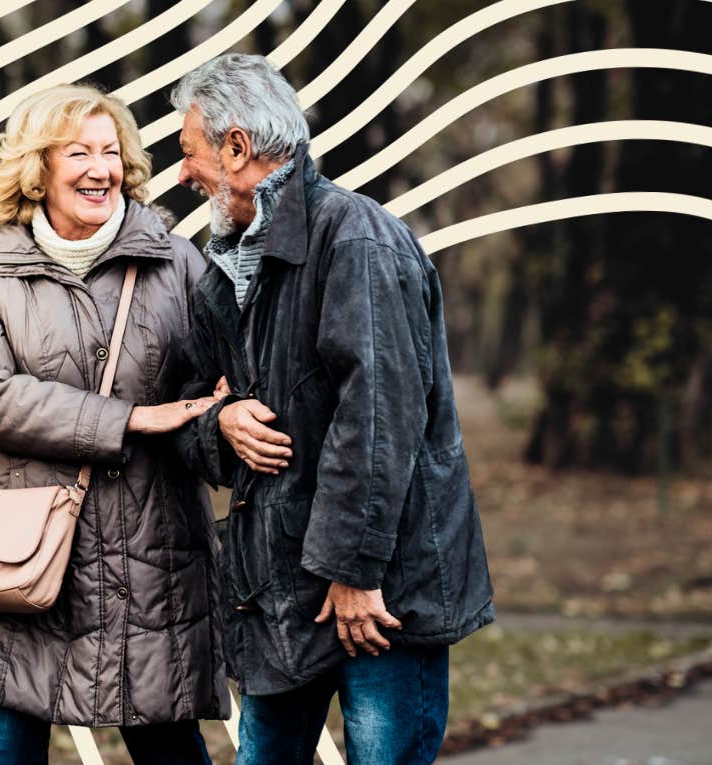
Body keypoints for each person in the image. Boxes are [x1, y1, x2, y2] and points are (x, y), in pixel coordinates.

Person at [170, 54, 495, 765]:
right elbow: (187, 407)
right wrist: (217, 424)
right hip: (279, 593)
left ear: (236, 148)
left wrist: (354, 570)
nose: (184, 173)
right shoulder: (220, 271)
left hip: (380, 595)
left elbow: (379, 419)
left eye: (189, 152)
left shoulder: (355, 239)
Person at [0, 83, 229, 765]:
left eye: (112, 152)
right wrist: (130, 418)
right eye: (79, 152)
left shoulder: (177, 264)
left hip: (151, 565)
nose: (101, 169)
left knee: (170, 751)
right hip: (23, 567)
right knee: (2, 743)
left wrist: (220, 412)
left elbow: (208, 392)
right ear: (38, 167)